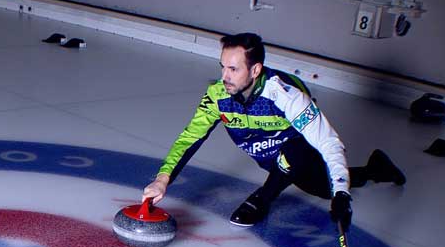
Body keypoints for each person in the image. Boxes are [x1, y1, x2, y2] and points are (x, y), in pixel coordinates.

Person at [142, 32, 404, 228]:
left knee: (303, 163)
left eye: (233, 69)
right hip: (271, 159)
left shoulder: (286, 95)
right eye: (223, 66)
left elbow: (328, 142)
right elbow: (190, 138)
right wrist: (163, 178)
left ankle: (261, 199)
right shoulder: (218, 96)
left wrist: (342, 194)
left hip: (298, 150)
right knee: (319, 187)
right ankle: (376, 169)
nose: (225, 76)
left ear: (255, 69)